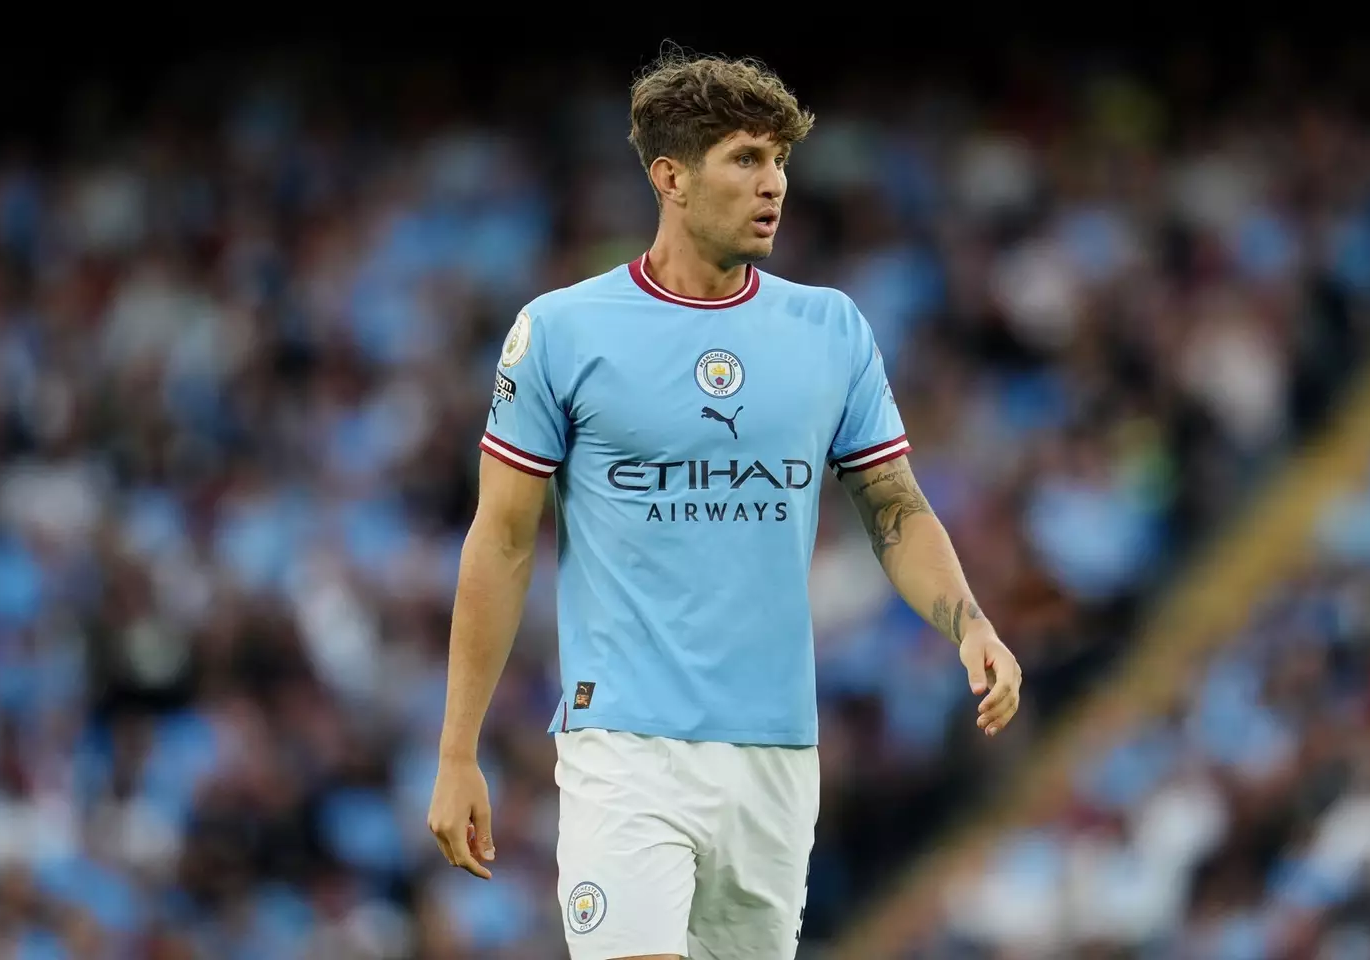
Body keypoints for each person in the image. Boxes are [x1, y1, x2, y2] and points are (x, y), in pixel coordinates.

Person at [427, 50, 1023, 960]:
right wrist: (457, 750)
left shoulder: (830, 329)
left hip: (777, 751)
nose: (774, 184)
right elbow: (502, 541)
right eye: (746, 159)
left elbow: (894, 506)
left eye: (780, 160)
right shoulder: (562, 331)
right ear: (669, 177)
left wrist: (969, 622)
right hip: (625, 743)